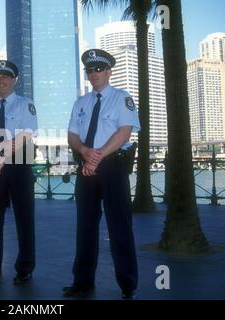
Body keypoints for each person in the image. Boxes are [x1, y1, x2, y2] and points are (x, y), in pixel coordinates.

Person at [64, 49, 141, 299]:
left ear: (109, 72)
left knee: (119, 226)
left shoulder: (121, 98)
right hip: (86, 166)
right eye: (90, 70)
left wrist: (97, 156)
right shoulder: (81, 103)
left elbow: (124, 133)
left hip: (112, 167)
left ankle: (128, 285)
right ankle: (82, 281)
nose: (94, 73)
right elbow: (72, 136)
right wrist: (85, 151)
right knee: (85, 227)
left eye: (99, 69)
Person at [0, 60, 38, 285]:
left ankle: (25, 268)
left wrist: (1, 153)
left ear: (15, 80)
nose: (1, 80)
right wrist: (1, 148)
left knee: (24, 218)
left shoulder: (25, 105)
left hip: (19, 165)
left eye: (6, 76)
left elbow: (26, 136)